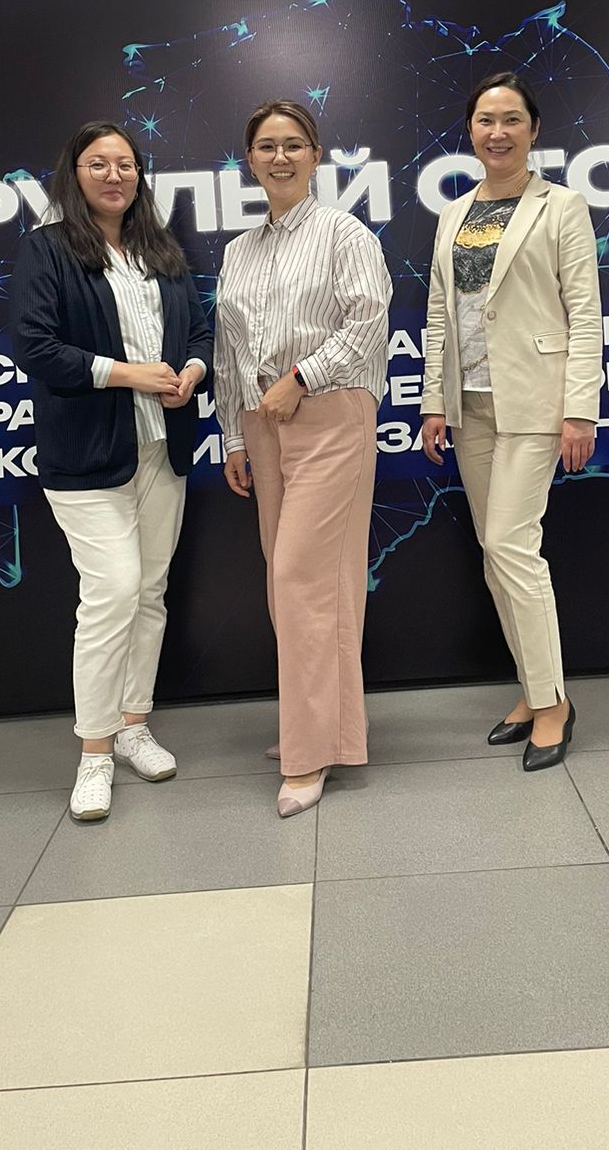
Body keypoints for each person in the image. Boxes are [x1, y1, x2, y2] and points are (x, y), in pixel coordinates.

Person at [9, 120, 212, 822]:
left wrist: (191, 371)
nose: (114, 175)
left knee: (149, 592)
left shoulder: (161, 248)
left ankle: (133, 725)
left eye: (125, 163)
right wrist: (126, 374)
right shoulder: (48, 249)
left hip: (162, 446)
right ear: (75, 173)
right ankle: (94, 753)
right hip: (86, 453)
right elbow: (34, 345)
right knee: (113, 592)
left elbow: (198, 332)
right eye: (98, 163)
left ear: (139, 174)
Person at [420, 71, 602, 770]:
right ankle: (534, 688)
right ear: (470, 131)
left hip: (534, 400)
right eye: (485, 121)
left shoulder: (562, 206)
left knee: (510, 545)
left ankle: (553, 704)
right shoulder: (453, 213)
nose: (497, 132)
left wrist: (579, 409)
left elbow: (584, 311)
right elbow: (440, 313)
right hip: (470, 405)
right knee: (496, 557)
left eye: (511, 120)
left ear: (533, 130)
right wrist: (434, 401)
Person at [215, 100, 391, 817]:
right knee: (288, 585)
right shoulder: (238, 251)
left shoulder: (345, 234)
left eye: (293, 144)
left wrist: (300, 379)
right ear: (249, 161)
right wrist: (234, 435)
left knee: (304, 579)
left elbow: (368, 323)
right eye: (266, 146)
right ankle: (315, 722)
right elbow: (229, 352)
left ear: (317, 156)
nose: (280, 156)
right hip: (262, 424)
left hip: (329, 414)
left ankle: (311, 751)